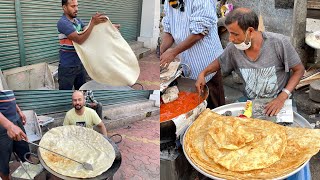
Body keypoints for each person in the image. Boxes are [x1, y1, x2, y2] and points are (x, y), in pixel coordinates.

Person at [195, 8, 305, 117]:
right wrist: (203, 73)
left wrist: (283, 96)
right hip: (251, 102)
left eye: (235, 34)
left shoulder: (278, 43)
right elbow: (220, 62)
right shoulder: (233, 49)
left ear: (250, 31)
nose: (231, 39)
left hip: (280, 101)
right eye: (230, 33)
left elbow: (299, 70)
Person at [160, 0, 225, 109]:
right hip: (188, 63)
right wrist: (160, 51)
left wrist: (173, 52)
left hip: (207, 64)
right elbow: (169, 31)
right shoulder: (169, 2)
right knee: (194, 107)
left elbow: (199, 32)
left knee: (215, 108)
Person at [57, 0, 108, 90]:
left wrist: (108, 28)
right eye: (73, 6)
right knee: (64, 94)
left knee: (81, 91)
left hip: (80, 64)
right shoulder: (62, 22)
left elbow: (89, 32)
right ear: (64, 8)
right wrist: (92, 22)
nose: (76, 9)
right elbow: (79, 39)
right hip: (67, 67)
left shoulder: (77, 21)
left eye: (77, 6)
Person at [0, 90, 30, 180]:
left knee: (25, 151)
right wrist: (9, 125)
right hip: (2, 123)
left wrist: (18, 110)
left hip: (15, 118)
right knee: (3, 161)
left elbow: (8, 95)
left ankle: (30, 174)